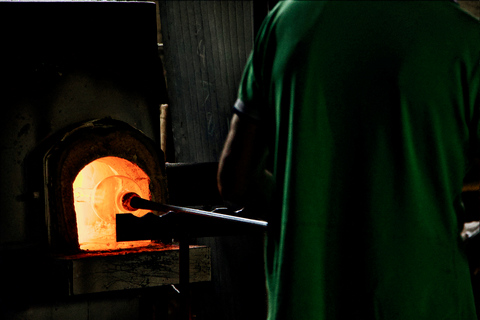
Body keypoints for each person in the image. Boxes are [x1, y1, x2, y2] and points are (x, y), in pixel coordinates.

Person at [217, 1, 480, 319]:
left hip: (303, 300)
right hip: (423, 298)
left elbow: (234, 180)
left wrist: (308, 208)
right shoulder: (464, 37)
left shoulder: (285, 20)